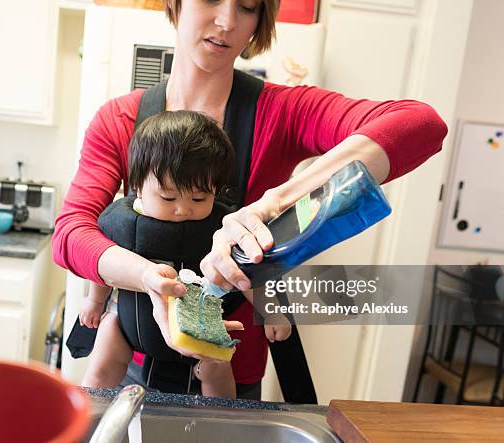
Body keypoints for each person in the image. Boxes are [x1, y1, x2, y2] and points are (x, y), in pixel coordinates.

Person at [53, 0, 448, 399]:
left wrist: (271, 205)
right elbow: (70, 234)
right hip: (130, 362)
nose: (227, 22)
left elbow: (421, 124)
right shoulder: (118, 119)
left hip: (229, 375)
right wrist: (148, 279)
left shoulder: (285, 111)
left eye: (247, 7)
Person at [78, 110, 291, 398]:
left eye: (199, 198)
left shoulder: (224, 227)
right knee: (106, 343)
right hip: (132, 325)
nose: (183, 208)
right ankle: (88, 416)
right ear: (138, 185)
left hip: (203, 326)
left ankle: (220, 422)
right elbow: (102, 264)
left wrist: (271, 312)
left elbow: (246, 273)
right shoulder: (120, 220)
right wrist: (94, 300)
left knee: (219, 367)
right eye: (168, 197)